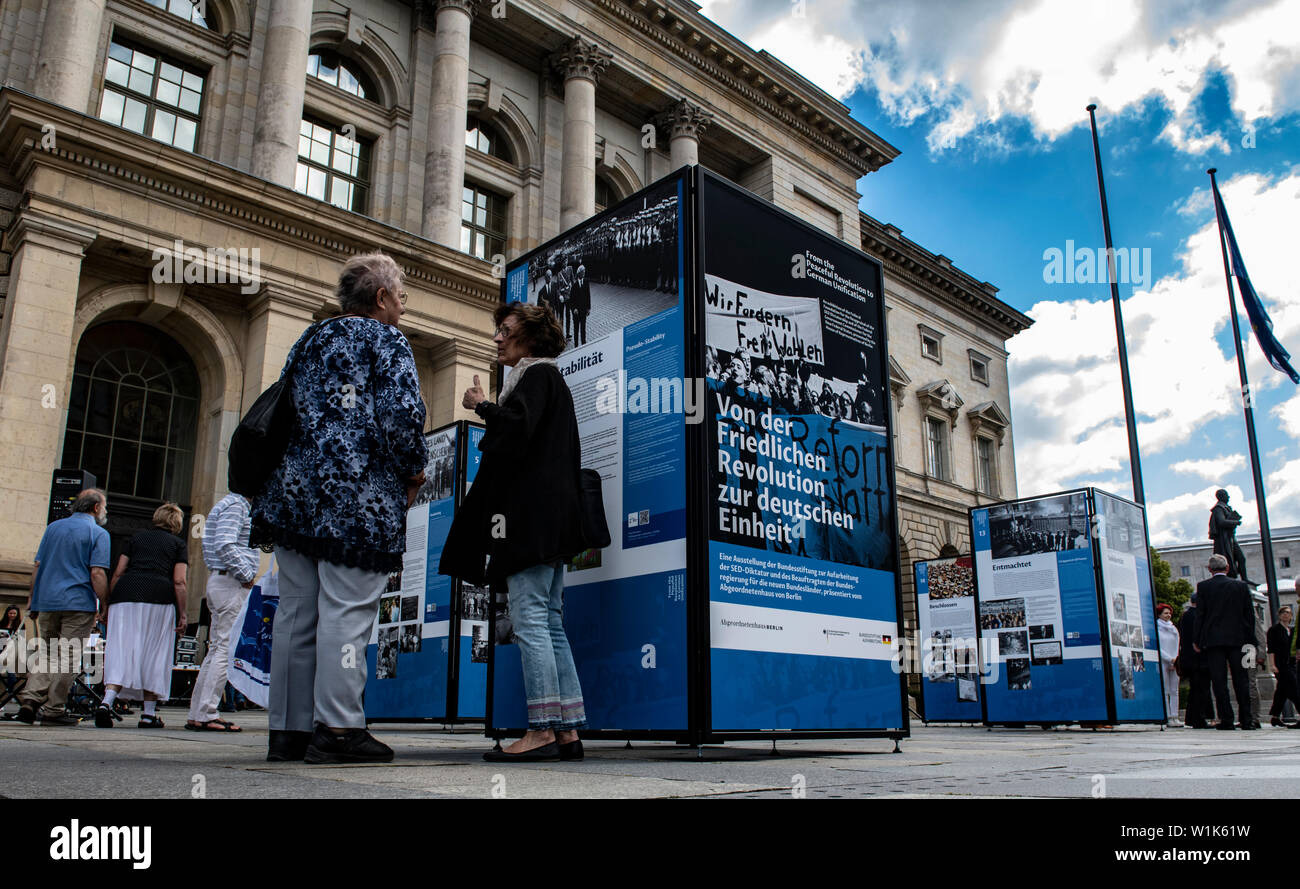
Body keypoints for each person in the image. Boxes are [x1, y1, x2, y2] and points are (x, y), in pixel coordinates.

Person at [251, 252, 428, 764]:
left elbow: (281, 408)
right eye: (401, 298)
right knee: (347, 613)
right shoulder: (385, 339)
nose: (402, 308)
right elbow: (401, 417)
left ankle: (288, 731)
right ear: (381, 299)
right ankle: (340, 729)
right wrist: (414, 472)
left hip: (294, 495)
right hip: (355, 498)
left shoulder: (310, 338)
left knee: (296, 612)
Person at [441, 302, 590, 763]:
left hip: (528, 521)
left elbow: (516, 430)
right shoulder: (550, 380)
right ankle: (567, 731)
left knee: (530, 622)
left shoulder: (537, 377)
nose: (497, 338)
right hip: (548, 521)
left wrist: (480, 405)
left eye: (505, 331)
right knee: (548, 622)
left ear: (529, 336)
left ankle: (542, 729)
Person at [16, 489, 111, 726]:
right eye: (105, 506)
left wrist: (32, 600)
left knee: (47, 652)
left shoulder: (53, 528)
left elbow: (38, 566)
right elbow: (97, 572)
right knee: (68, 656)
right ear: (96, 508)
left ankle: (30, 699)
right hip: (77, 603)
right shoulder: (98, 533)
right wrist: (105, 603)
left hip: (47, 600)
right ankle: (53, 709)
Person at [95, 503, 188, 729]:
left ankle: (106, 703)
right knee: (155, 653)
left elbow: (117, 573)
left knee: (122, 650)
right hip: (158, 598)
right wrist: (183, 614)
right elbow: (179, 581)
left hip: (125, 596)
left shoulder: (136, 539)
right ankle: (148, 715)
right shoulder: (178, 544)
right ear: (176, 522)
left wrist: (107, 604)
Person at [186, 491, 259, 732]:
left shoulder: (225, 505)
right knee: (224, 648)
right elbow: (225, 544)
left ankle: (199, 711)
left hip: (221, 581)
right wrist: (246, 574)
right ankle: (207, 712)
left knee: (216, 648)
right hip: (230, 584)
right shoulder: (237, 506)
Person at [1195, 553, 1256, 730]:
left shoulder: (1203, 587)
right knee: (1242, 680)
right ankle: (1247, 719)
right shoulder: (1240, 586)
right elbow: (1249, 616)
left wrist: (1197, 640)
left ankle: (1226, 719)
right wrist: (1250, 640)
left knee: (1219, 681)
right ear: (1227, 568)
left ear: (1209, 569)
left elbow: (1201, 615)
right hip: (1239, 640)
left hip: (1214, 641)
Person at [1178, 595, 1212, 728]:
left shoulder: (1185, 615)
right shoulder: (1196, 616)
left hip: (1188, 658)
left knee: (1195, 689)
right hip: (1198, 658)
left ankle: (1191, 718)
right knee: (1201, 689)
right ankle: (1199, 718)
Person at [1267, 605, 1300, 727]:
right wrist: (1272, 665)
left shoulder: (1291, 630)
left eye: (1288, 612)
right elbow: (1271, 649)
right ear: (1279, 615)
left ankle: (1275, 717)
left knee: (1281, 691)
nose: (1286, 614)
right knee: (1294, 690)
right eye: (1283, 612)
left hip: (1291, 664)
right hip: (1280, 665)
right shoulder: (1274, 630)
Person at [1155, 602, 1181, 726]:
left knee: (1174, 690)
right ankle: (1167, 716)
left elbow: (1177, 645)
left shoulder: (1173, 628)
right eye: (1165, 613)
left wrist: (1176, 659)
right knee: (1165, 689)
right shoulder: (1156, 628)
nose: (1168, 615)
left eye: (1169, 613)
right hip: (1164, 661)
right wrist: (1169, 659)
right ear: (1159, 614)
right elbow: (1158, 647)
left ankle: (1175, 716)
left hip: (1175, 661)